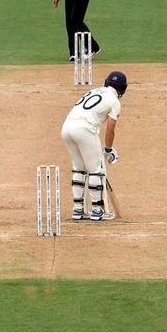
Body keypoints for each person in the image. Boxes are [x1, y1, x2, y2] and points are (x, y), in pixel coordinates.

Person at [61, 71, 126, 221]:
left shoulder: (94, 90)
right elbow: (110, 129)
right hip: (85, 130)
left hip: (66, 127)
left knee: (79, 168)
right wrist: (109, 150)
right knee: (96, 170)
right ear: (122, 88)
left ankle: (78, 210)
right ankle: (97, 211)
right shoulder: (115, 101)